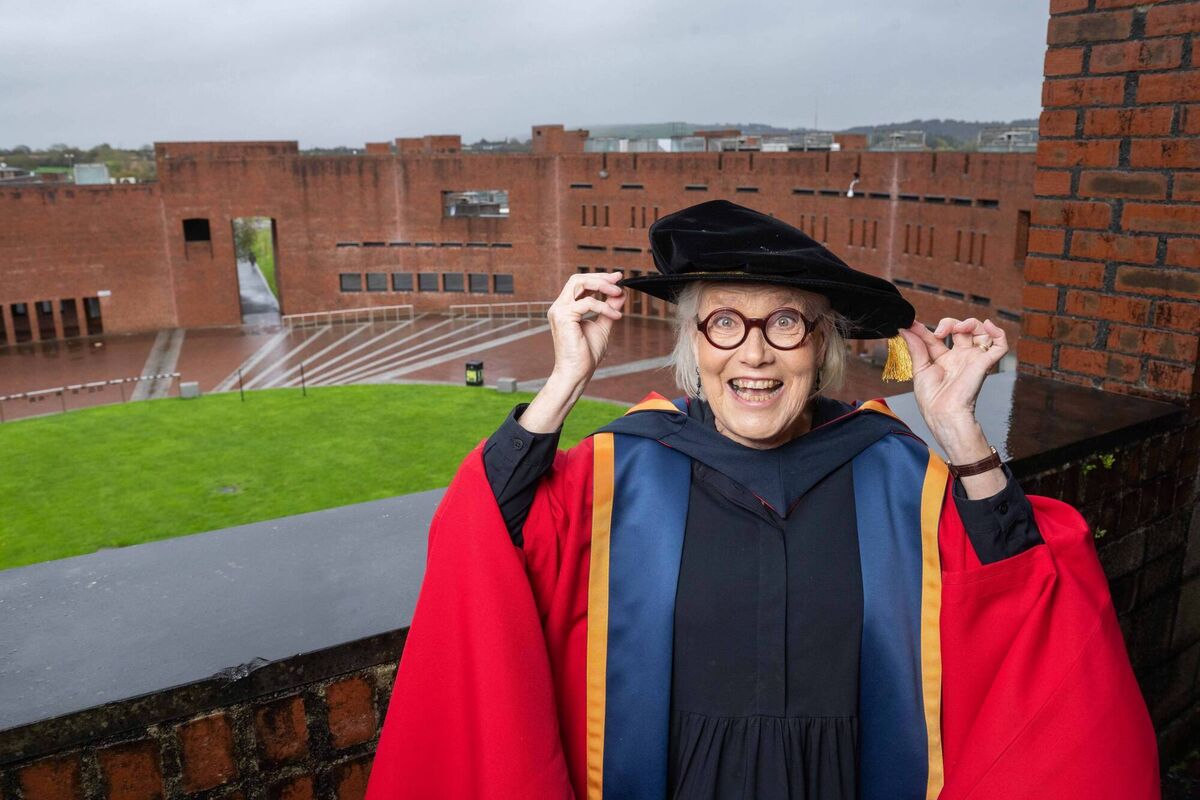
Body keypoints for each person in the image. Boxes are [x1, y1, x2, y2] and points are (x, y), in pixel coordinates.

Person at [365, 201, 1159, 800]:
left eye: (786, 322)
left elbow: (1029, 602)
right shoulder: (616, 474)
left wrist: (957, 432)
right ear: (693, 344)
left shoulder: (898, 478)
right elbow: (485, 544)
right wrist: (564, 382)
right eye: (723, 323)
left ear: (823, 347)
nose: (753, 352)